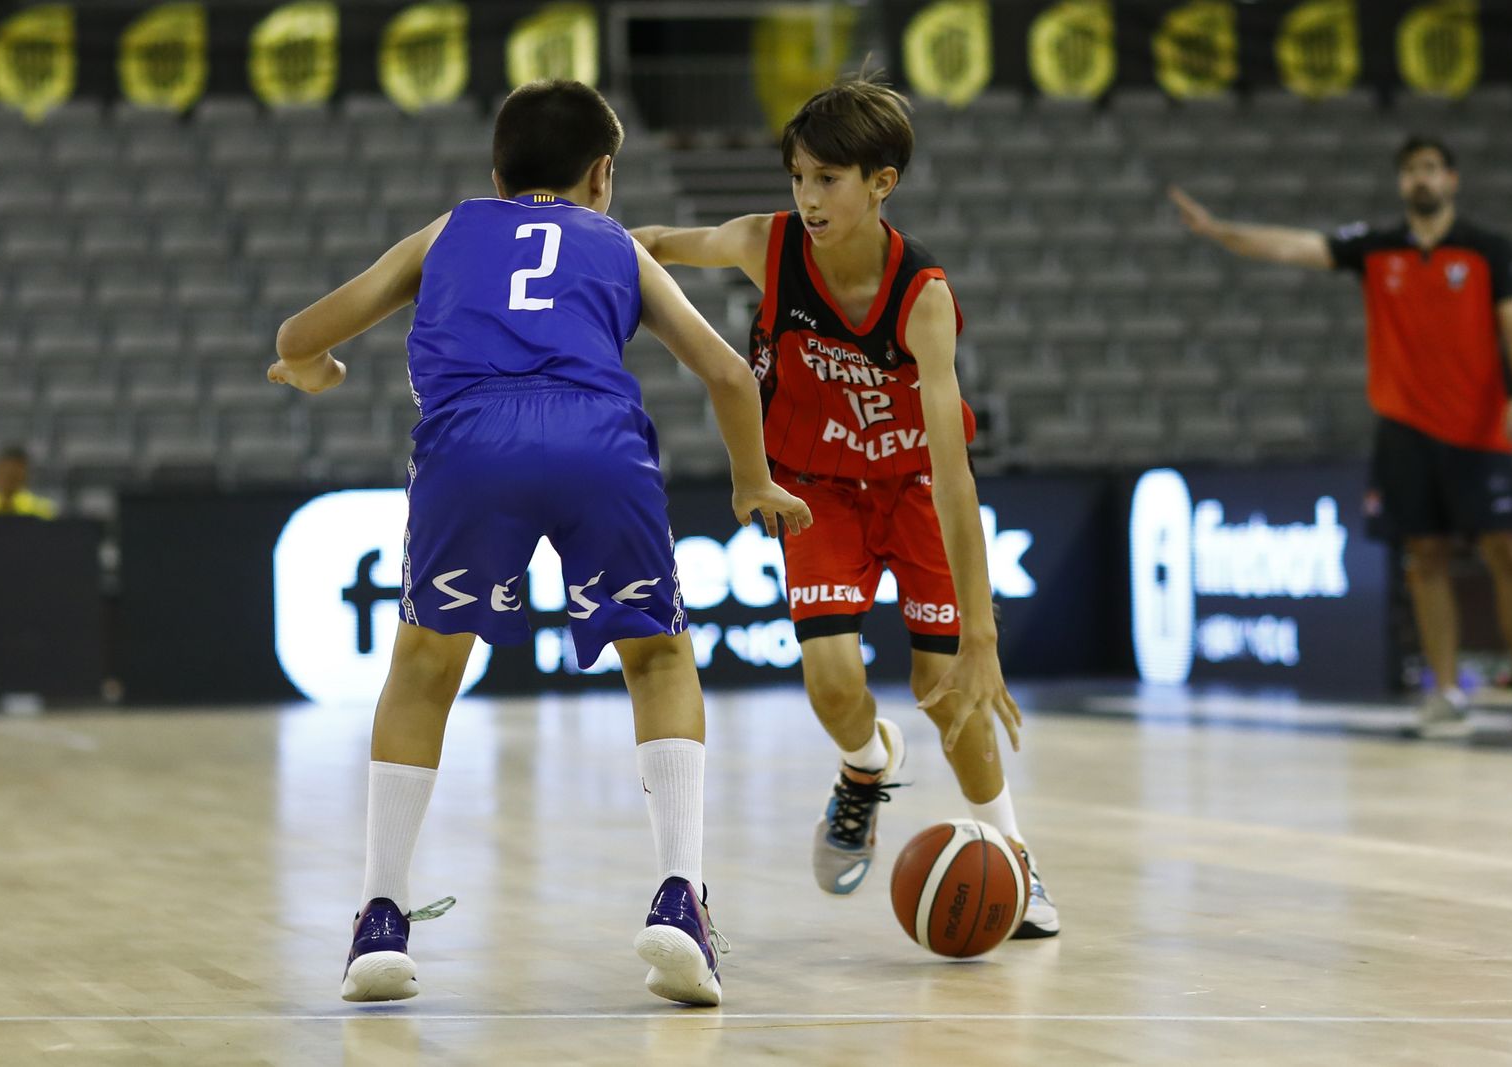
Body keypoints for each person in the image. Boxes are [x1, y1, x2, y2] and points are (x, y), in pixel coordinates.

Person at [269, 80, 811, 1007]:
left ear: (495, 172)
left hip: (469, 440)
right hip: (596, 438)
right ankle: (680, 899)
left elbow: (298, 332)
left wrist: (313, 366)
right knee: (658, 660)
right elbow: (726, 370)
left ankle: (380, 918)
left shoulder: (445, 232)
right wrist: (751, 479)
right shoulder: (616, 244)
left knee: (425, 666)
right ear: (603, 174)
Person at [631, 75, 1059, 938]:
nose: (808, 197)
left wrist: (983, 636)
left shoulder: (922, 296)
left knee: (948, 693)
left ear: (881, 184)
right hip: (814, 487)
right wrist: (580, 244)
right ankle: (865, 768)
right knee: (832, 685)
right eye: (798, 177)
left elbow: (955, 473)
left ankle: (1016, 859)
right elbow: (656, 244)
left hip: (912, 488)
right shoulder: (768, 245)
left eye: (828, 179)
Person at [1171, 134, 1512, 739]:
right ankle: (1447, 695)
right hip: (1406, 430)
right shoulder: (1376, 249)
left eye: (1432, 168)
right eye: (1412, 171)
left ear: (1452, 180)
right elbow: (1294, 247)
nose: (1422, 179)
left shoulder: (1488, 250)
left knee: (1507, 554)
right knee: (1425, 559)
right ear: (1402, 183)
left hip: (1480, 430)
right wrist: (1221, 230)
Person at [0, 446, 57, 522]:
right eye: (4, 472)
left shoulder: (42, 512)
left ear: (26, 475)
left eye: (15, 475)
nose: (9, 478)